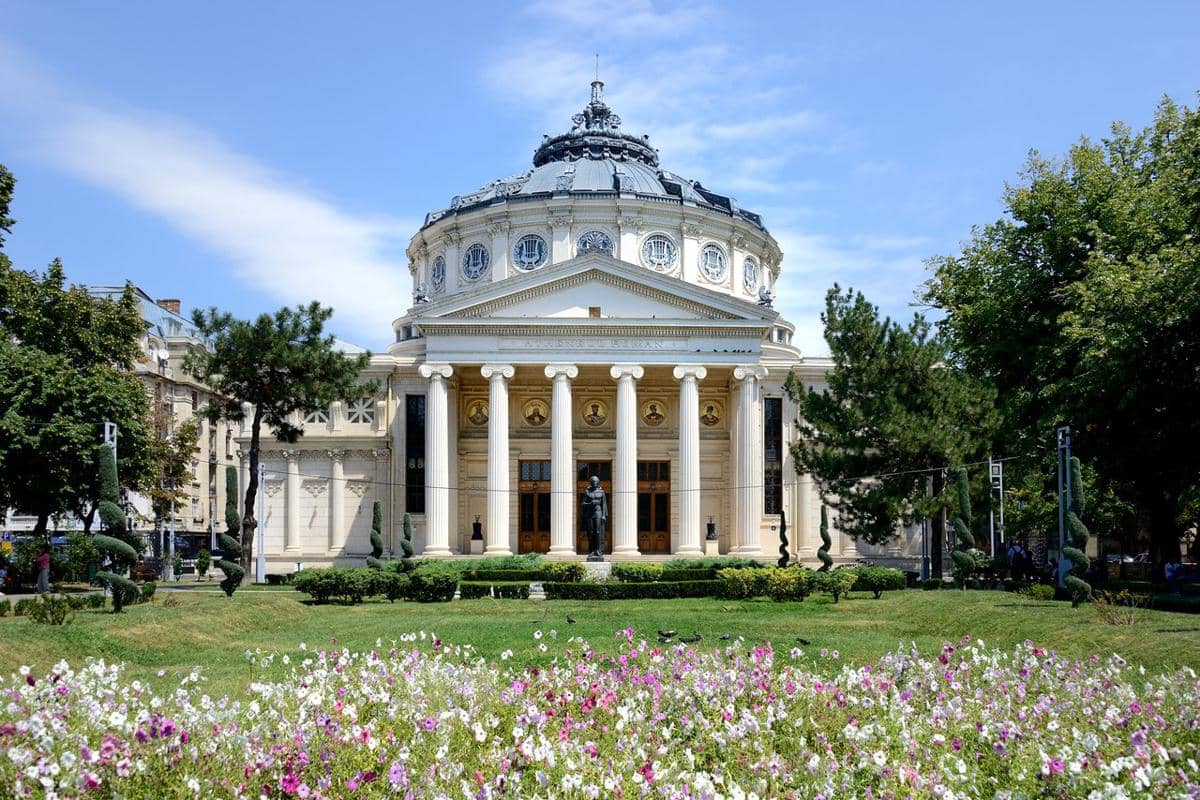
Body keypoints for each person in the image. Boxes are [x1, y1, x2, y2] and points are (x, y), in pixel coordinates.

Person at [581, 476, 608, 559]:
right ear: (590, 482)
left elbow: (604, 504)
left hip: (598, 513)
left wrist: (604, 515)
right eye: (593, 481)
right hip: (590, 513)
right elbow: (583, 504)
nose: (594, 482)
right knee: (591, 532)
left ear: (598, 482)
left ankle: (599, 551)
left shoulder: (601, 492)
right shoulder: (587, 492)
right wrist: (590, 504)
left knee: (598, 532)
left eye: (595, 481)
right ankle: (591, 551)